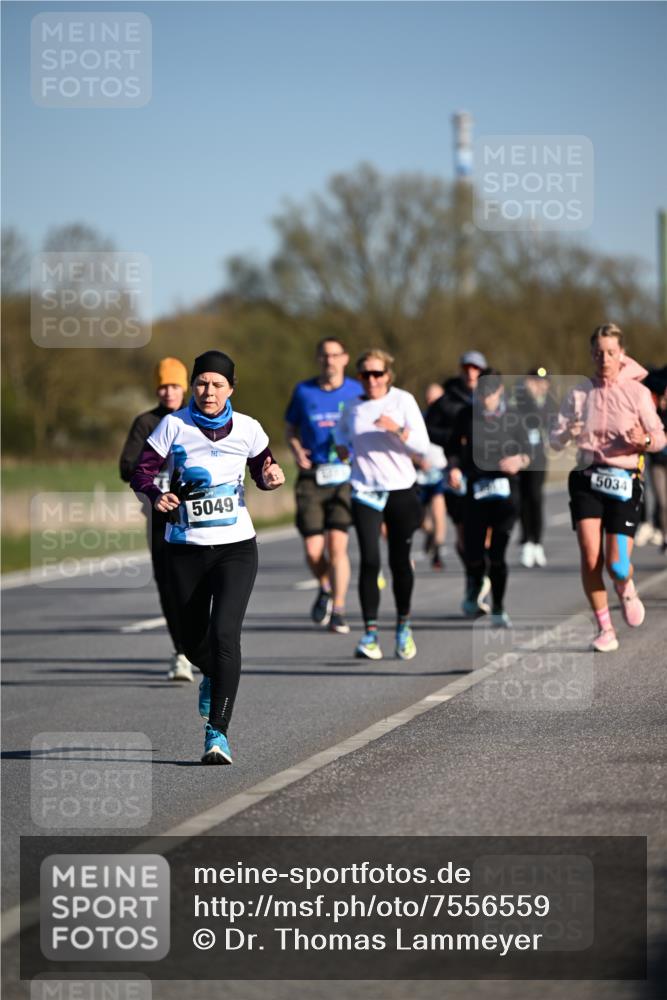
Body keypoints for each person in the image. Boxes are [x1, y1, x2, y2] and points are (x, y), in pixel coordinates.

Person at [130, 350, 285, 763]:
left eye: (217, 384)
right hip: (184, 549)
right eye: (201, 383)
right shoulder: (173, 425)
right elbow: (141, 471)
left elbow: (264, 467)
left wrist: (271, 477)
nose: (208, 391)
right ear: (193, 386)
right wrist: (155, 493)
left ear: (231, 388)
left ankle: (217, 734)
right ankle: (211, 675)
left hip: (236, 548)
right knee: (192, 641)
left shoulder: (249, 428)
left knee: (224, 635)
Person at [550, 324, 666, 652]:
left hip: (625, 479)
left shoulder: (637, 393)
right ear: (591, 355)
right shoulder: (579, 393)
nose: (605, 358)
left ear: (622, 354)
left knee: (616, 563)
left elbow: (659, 437)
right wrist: (566, 434)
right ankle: (605, 628)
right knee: (590, 558)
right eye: (599, 353)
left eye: (611, 352)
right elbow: (554, 439)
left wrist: (642, 440)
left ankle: (625, 585)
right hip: (588, 478)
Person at [336, 349, 430, 660]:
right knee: (370, 560)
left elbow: (423, 445)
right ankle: (370, 635)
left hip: (401, 489)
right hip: (365, 491)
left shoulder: (402, 400)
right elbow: (340, 438)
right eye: (365, 374)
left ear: (388, 375)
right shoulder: (351, 407)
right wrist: (343, 454)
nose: (372, 380)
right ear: (359, 377)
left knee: (400, 562)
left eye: (377, 374)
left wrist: (396, 429)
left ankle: (403, 625)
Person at [120, 357, 194, 681]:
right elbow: (126, 467)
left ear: (184, 387)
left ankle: (202, 644)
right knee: (168, 585)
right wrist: (152, 462)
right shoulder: (146, 422)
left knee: (198, 583)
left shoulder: (196, 419)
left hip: (196, 515)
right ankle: (181, 652)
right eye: (163, 386)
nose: (168, 392)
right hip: (160, 515)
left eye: (175, 385)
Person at [285, 338, 360, 634]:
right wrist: (295, 449)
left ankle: (339, 610)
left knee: (337, 547)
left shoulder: (357, 390)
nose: (329, 360)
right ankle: (326, 586)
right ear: (318, 359)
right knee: (313, 550)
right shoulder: (304, 391)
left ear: (344, 359)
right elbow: (290, 427)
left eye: (335, 355)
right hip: (312, 475)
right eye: (324, 355)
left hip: (344, 475)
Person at [447, 369, 532, 627]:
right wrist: (453, 467)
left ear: (500, 391)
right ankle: (475, 581)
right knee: (472, 551)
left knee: (497, 554)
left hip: (506, 491)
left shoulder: (514, 416)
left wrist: (519, 460)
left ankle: (498, 606)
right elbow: (452, 448)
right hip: (475, 488)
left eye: (490, 393)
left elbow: (529, 453)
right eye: (480, 392)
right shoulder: (466, 415)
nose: (485, 398)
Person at [426, 350, 491, 610]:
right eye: (466, 368)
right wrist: (456, 437)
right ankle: (473, 580)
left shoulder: (496, 396)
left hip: (488, 473)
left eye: (476, 368)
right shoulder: (446, 400)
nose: (471, 373)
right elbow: (428, 430)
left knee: (486, 534)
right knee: (464, 537)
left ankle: (485, 579)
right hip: (457, 471)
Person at [512, 368, 559, 568]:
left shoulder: (548, 402)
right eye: (535, 381)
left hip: (538, 457)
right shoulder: (519, 399)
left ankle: (537, 541)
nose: (539, 386)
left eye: (543, 382)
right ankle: (526, 541)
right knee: (521, 499)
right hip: (518, 454)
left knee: (535, 497)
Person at [417, 384, 448, 570]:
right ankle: (429, 534)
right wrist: (417, 460)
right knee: (420, 520)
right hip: (419, 475)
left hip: (439, 474)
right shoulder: (418, 417)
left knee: (438, 513)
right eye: (429, 398)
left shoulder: (451, 419)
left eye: (436, 398)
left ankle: (437, 552)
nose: (432, 402)